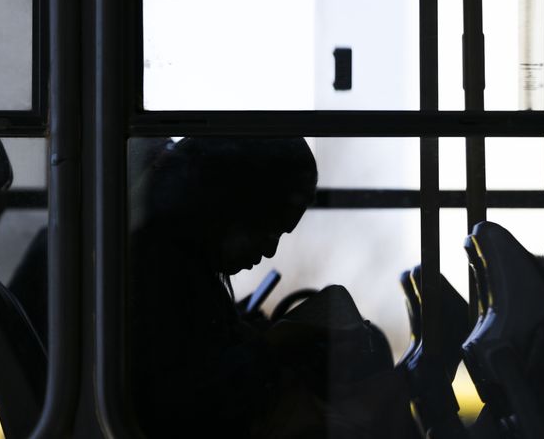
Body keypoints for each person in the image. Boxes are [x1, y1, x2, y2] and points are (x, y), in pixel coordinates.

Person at [128, 136, 412, 438]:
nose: (270, 251)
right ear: (230, 207)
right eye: (267, 228)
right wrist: (273, 343)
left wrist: (250, 329)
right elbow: (188, 408)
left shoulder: (178, 257)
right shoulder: (157, 265)